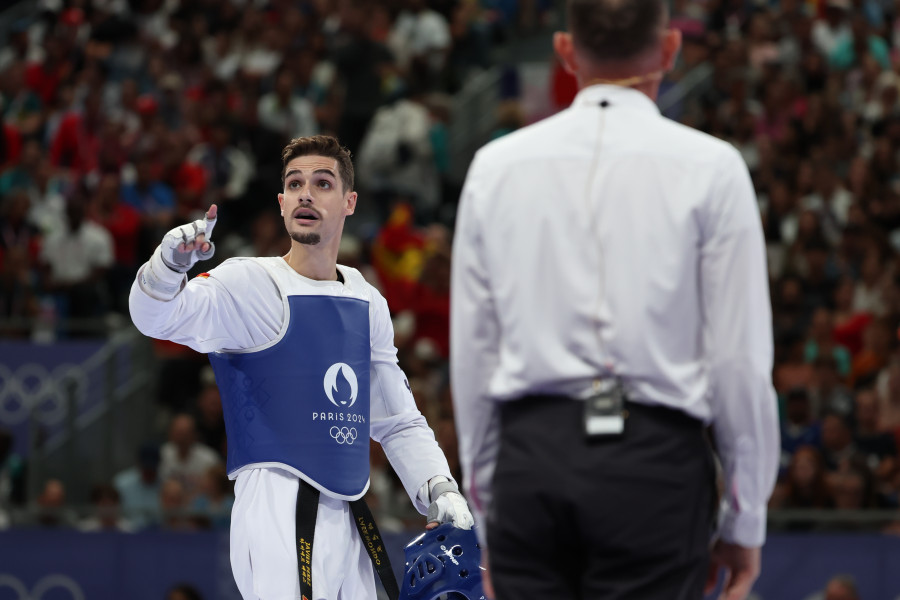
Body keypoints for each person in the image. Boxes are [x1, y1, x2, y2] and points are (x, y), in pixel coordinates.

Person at [450, 1, 779, 599]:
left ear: (566, 51)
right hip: (654, 468)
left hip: (534, 461)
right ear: (671, 48)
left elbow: (474, 355)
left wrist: (487, 509)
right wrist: (744, 517)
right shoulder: (713, 168)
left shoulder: (494, 169)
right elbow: (740, 363)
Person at [129, 134, 472, 600]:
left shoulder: (366, 299)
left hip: (351, 511)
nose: (305, 193)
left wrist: (439, 485)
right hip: (275, 503)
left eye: (322, 183)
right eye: (294, 184)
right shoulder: (248, 282)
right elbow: (156, 318)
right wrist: (167, 267)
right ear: (281, 201)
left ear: (349, 202)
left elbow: (397, 419)